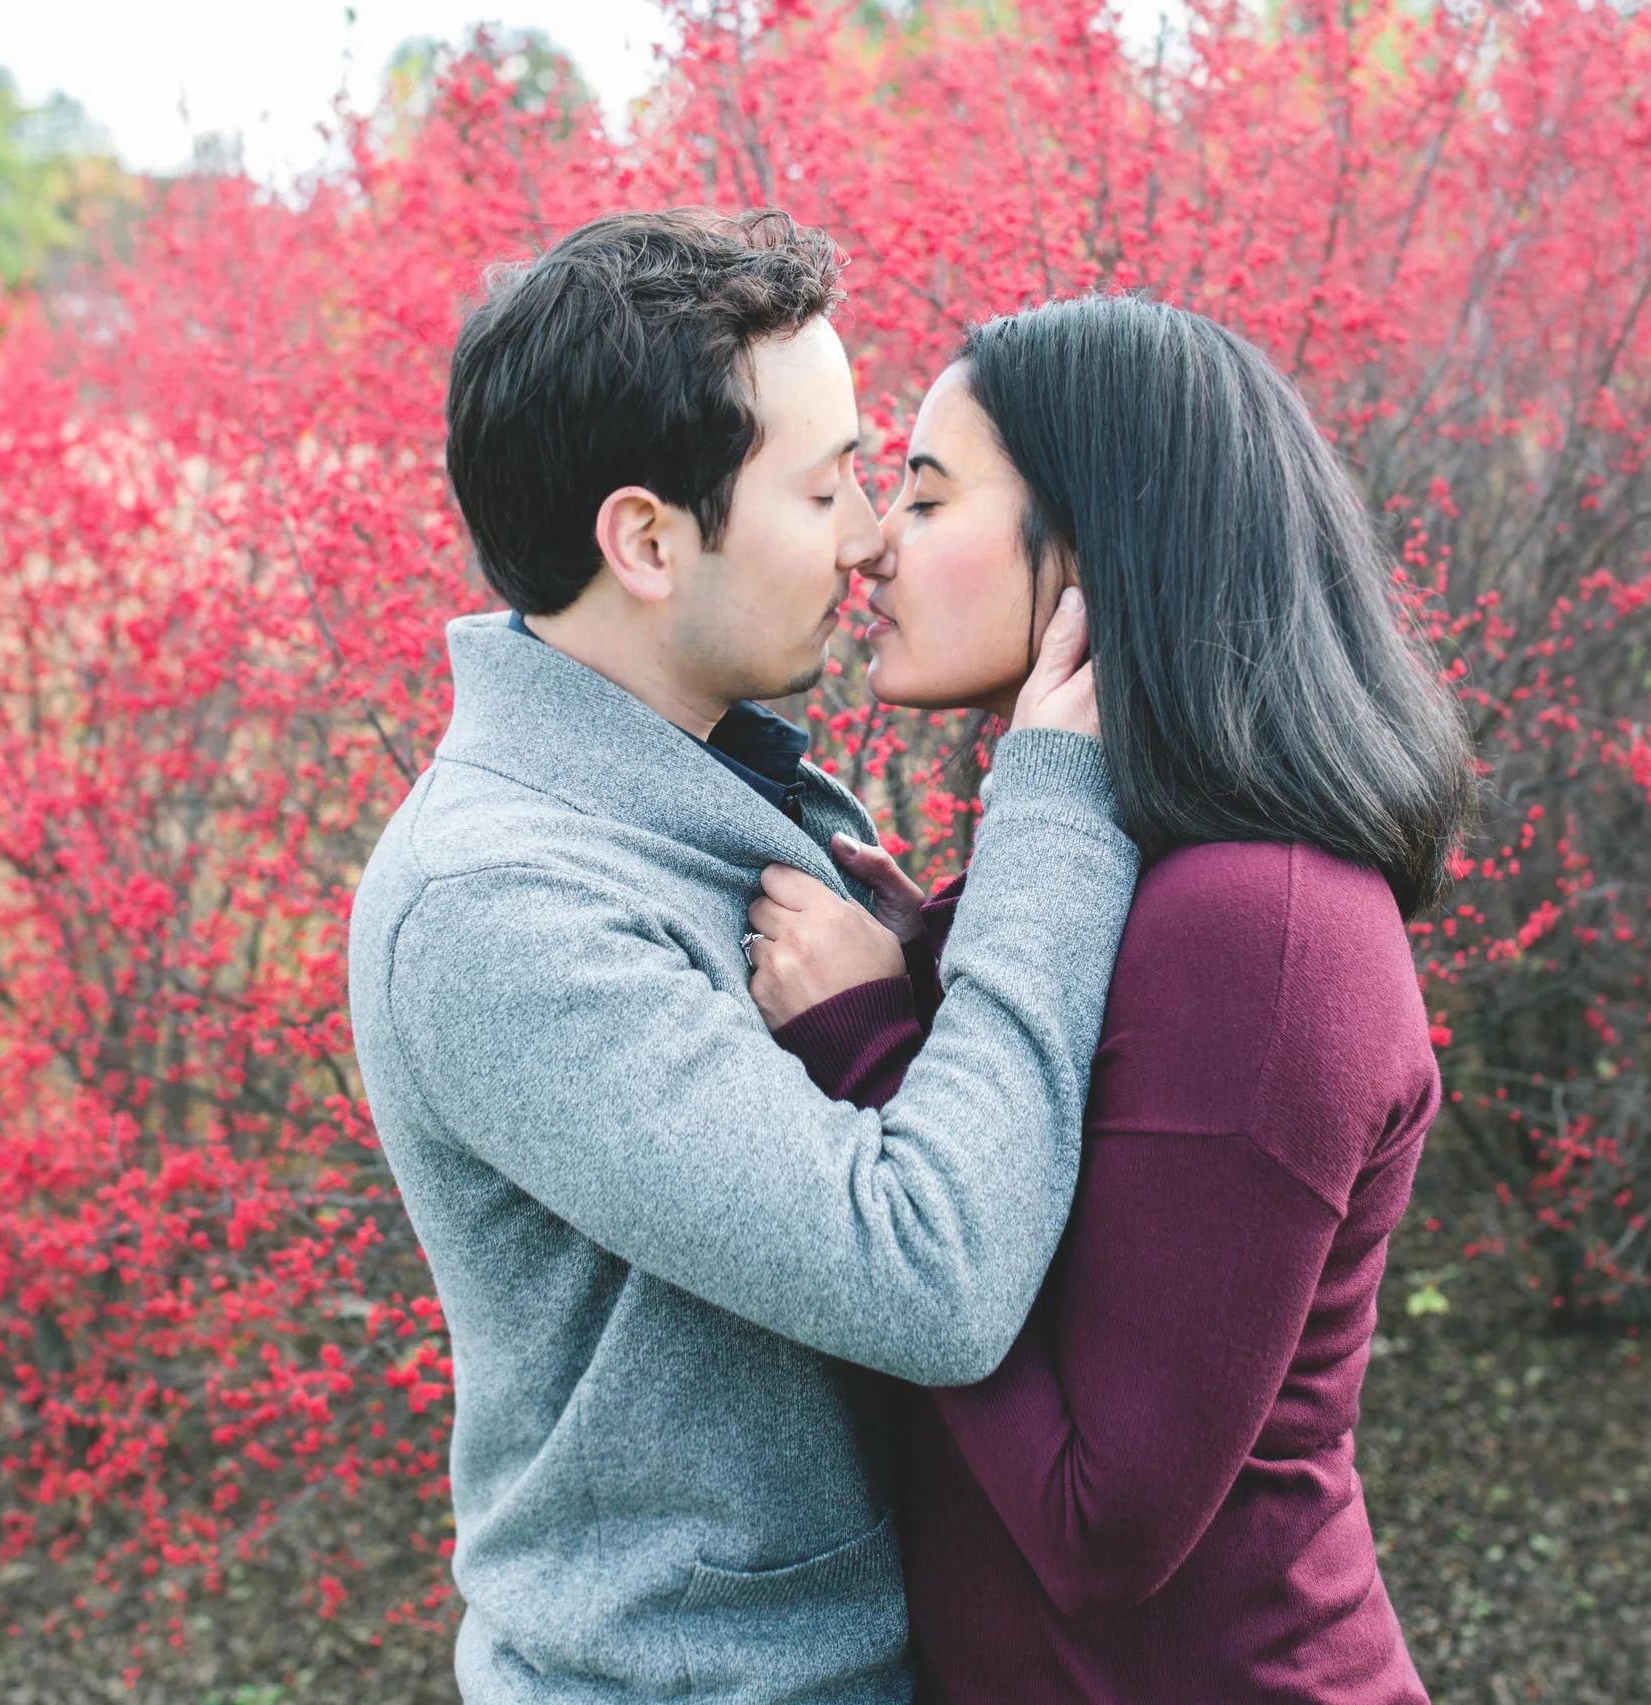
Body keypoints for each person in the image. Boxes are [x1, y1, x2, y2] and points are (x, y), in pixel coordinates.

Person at [346, 211, 1139, 1704]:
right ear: (647, 540)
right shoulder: (502, 910)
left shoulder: (713, 783)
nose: (865, 537)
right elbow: (935, 1281)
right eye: (828, 482)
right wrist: (1053, 810)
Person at [747, 296, 1474, 1702]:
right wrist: (939, 982)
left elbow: (1102, 1526)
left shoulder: (1263, 928)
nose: (874, 541)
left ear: (1090, 547)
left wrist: (876, 1054)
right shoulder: (1154, 892)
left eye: (928, 491)